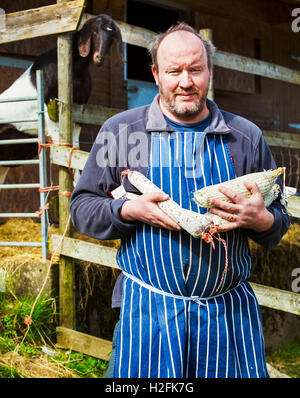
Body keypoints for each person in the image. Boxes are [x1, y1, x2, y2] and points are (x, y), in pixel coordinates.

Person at [70, 22, 290, 378]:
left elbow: (279, 223)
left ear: (209, 72)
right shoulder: (123, 132)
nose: (185, 82)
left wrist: (262, 219)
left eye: (195, 70)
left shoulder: (244, 137)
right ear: (156, 74)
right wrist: (127, 209)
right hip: (148, 313)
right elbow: (82, 210)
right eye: (174, 71)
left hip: (226, 319)